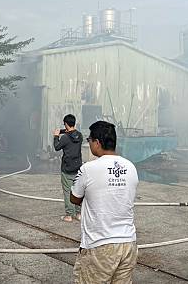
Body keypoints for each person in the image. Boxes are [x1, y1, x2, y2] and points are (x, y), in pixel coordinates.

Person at [70, 121, 139, 284]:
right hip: (128, 244)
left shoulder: (88, 168)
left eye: (89, 140)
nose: (89, 143)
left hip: (99, 245)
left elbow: (74, 197)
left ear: (97, 142)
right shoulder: (131, 167)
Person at [53, 114, 83, 222]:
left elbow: (57, 147)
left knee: (67, 191)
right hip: (78, 167)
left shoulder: (65, 138)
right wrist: (64, 130)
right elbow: (72, 134)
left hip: (67, 168)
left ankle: (69, 215)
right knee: (78, 190)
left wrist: (56, 136)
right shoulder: (80, 136)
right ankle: (79, 213)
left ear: (66, 124)